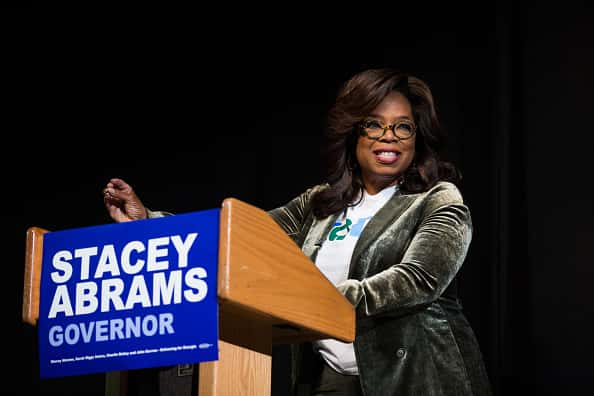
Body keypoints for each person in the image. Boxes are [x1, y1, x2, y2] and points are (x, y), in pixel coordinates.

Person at [102, 68, 493, 396]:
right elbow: (241, 237)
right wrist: (151, 222)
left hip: (419, 379)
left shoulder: (437, 198)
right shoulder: (320, 202)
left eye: (403, 127)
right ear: (354, 134)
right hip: (328, 378)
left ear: (417, 138)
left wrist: (317, 302)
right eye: (374, 124)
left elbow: (418, 279)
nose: (388, 136)